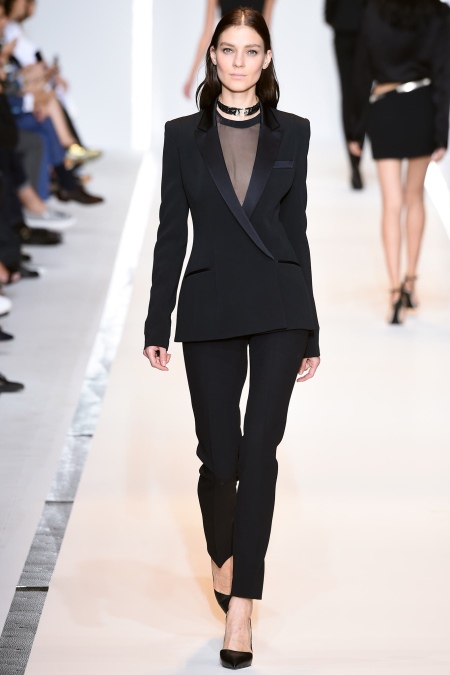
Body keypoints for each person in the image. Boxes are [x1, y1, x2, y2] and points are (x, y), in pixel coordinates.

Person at [144, 7, 320, 669]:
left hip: (279, 305)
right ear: (212, 56)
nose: (239, 61)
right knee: (220, 458)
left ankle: (242, 605)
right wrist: (157, 321)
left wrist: (312, 326)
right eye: (228, 49)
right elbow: (171, 234)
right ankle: (223, 553)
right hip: (210, 303)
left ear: (266, 59)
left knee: (260, 451)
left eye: (251, 50)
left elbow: (297, 233)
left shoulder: (293, 132)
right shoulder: (181, 136)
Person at [349, 0, 450, 324]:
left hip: (385, 108)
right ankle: (410, 283)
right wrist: (441, 132)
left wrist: (356, 130)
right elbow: (443, 73)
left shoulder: (374, 11)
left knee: (391, 203)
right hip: (421, 106)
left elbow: (361, 70)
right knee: (414, 198)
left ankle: (393, 290)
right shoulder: (438, 13)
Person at [183, 0, 276, 98]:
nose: (238, 62)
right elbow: (207, 33)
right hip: (228, 58)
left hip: (250, 59)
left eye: (252, 52)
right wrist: (191, 75)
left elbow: (265, 33)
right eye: (227, 50)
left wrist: (269, 73)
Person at [325, 0, 366, 189]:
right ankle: (356, 159)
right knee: (361, 95)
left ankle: (354, 162)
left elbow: (328, 11)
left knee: (348, 96)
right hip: (363, 30)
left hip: (344, 27)